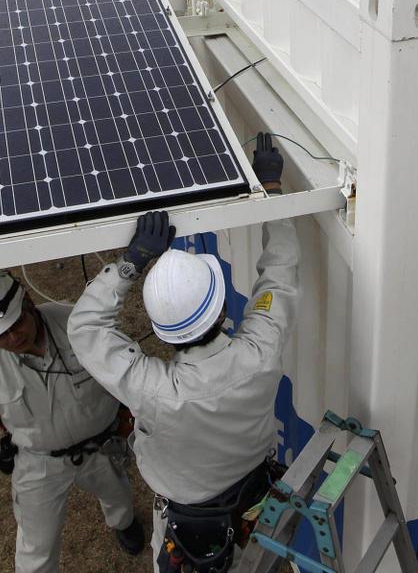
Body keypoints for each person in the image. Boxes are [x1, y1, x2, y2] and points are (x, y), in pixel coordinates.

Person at [68, 134, 299, 572]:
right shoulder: (260, 352)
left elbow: (85, 328)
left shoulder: (154, 390)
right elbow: (281, 273)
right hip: (255, 510)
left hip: (185, 527)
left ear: (164, 332)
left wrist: (131, 263)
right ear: (220, 308)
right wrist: (271, 190)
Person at [0, 271, 146, 572]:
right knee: (36, 547)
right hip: (39, 464)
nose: (13, 338)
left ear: (28, 302)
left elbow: (129, 372)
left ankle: (124, 523)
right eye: (0, 336)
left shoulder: (78, 323)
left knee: (117, 494)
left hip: (102, 446)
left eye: (16, 324)